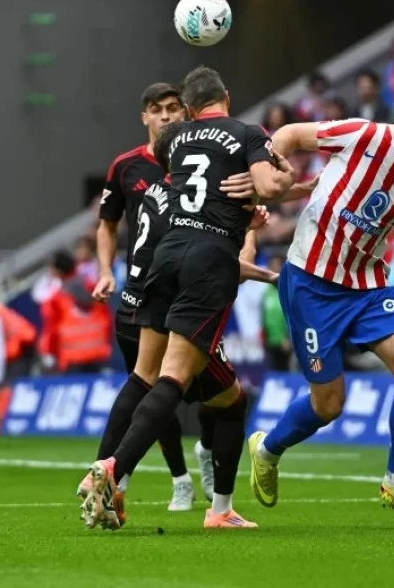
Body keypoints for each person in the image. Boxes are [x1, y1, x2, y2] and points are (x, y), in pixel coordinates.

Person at [82, 66, 297, 529]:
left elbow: (180, 161)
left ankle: (123, 476)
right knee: (179, 381)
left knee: (147, 376)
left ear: (189, 109)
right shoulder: (245, 132)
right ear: (227, 97)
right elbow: (274, 186)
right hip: (207, 260)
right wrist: (278, 176)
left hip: (164, 259)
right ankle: (117, 470)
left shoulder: (172, 143)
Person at [247, 76, 394, 526]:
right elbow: (290, 135)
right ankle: (266, 449)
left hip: (367, 285)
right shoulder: (364, 135)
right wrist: (274, 171)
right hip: (310, 282)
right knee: (329, 405)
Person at [91, 81, 196, 509]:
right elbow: (107, 224)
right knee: (153, 384)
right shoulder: (125, 167)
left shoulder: (198, 162)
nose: (167, 115)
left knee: (203, 391)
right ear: (145, 117)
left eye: (174, 107)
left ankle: (206, 459)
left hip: (190, 291)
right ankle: (177, 477)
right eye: (158, 109)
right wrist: (104, 271)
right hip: (141, 292)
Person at [38, 250, 112, 374]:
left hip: (72, 359)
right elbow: (107, 320)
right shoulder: (95, 289)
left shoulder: (56, 299)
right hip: (99, 354)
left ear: (58, 271)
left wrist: (48, 352)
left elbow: (51, 329)